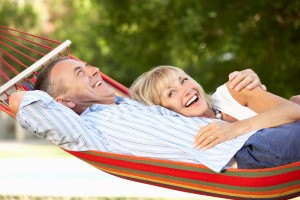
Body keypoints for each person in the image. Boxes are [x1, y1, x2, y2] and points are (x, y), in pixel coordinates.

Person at [9, 57, 300, 172]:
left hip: (258, 137)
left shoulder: (129, 105)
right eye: (80, 73)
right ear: (64, 103)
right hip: (247, 153)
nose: (95, 70)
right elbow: (23, 101)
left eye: (88, 66)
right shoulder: (88, 132)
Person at [130, 66, 300, 151]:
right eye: (171, 92)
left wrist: (235, 128)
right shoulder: (189, 141)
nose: (186, 89)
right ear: (163, 110)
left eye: (184, 80)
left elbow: (294, 110)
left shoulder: (232, 91)